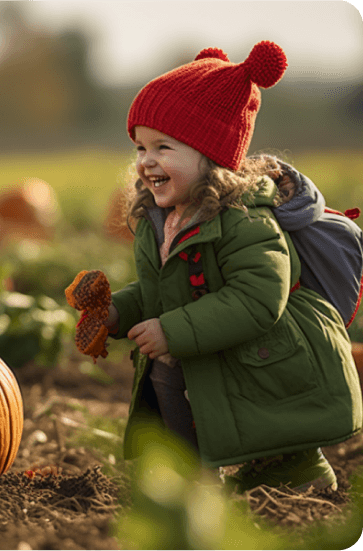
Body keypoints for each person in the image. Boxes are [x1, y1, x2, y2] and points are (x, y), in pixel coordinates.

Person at [102, 40, 362, 492]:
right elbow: (161, 292)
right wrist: (117, 312)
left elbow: (258, 298)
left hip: (269, 350)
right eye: (140, 147)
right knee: (168, 371)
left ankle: (300, 470)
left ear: (211, 155)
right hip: (214, 337)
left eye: (163, 147)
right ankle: (190, 480)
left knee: (272, 422)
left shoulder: (244, 218)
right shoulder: (159, 220)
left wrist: (173, 330)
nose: (146, 162)